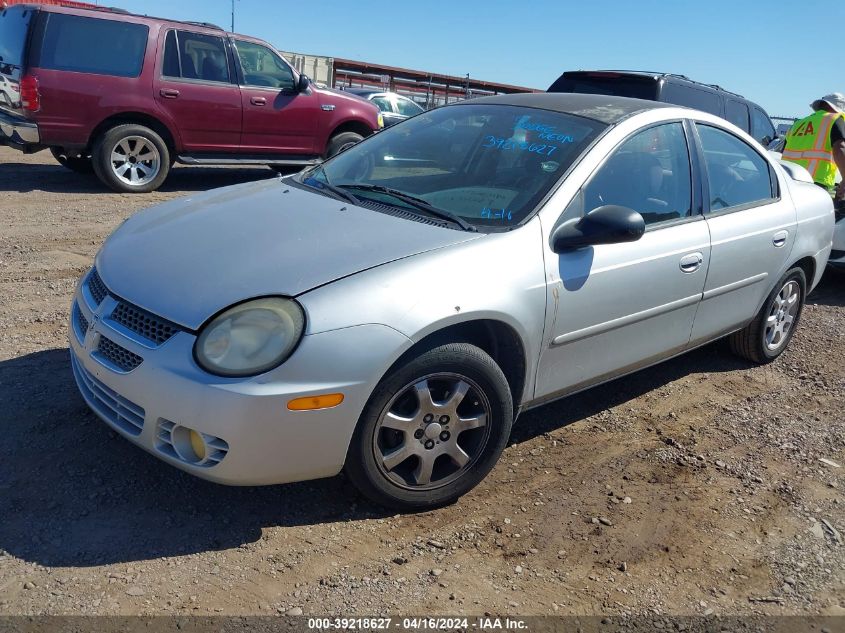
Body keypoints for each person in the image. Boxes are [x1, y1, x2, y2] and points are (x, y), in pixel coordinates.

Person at [781, 93, 845, 201]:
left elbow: (785, 150)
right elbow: (840, 147)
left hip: (787, 179)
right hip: (815, 182)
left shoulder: (798, 124)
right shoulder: (834, 119)